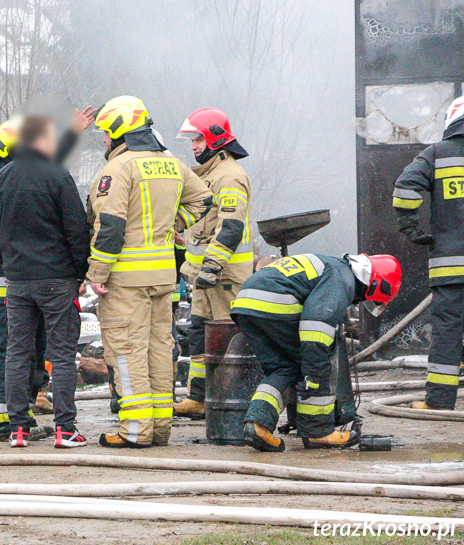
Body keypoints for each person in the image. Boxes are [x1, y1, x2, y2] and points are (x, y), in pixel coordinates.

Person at [87, 95, 213, 448]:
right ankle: (159, 428)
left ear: (118, 130)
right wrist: (177, 224)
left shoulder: (119, 168)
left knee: (127, 354)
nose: (104, 140)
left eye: (105, 133)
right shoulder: (170, 165)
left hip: (126, 281)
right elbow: (204, 199)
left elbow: (110, 226)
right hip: (163, 278)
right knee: (159, 350)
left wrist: (97, 273)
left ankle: (135, 430)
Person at [0, 109, 93, 441]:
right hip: (57, 281)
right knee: (62, 354)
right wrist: (78, 272)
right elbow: (76, 232)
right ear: (39, 140)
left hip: (17, 283)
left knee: (17, 352)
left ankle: (18, 430)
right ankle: (65, 430)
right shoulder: (58, 176)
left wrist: (11, 265)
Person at [233, 253, 401, 451]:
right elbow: (316, 327)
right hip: (277, 303)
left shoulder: (332, 264)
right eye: (369, 298)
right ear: (373, 284)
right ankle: (318, 432)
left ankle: (258, 426)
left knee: (282, 368)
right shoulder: (342, 278)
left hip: (245, 303)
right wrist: (314, 373)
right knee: (319, 357)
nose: (359, 301)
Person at [173, 107, 254, 420]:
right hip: (204, 277)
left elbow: (231, 228)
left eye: (197, 140)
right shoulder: (207, 174)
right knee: (199, 336)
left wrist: (211, 268)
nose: (193, 147)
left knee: (225, 338)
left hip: (224, 277)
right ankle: (198, 397)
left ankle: (228, 399)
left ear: (215, 139)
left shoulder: (230, 176)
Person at [393, 95, 464, 411]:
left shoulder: (436, 154)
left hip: (449, 270)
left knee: (448, 334)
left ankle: (439, 402)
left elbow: (404, 188)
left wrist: (411, 228)